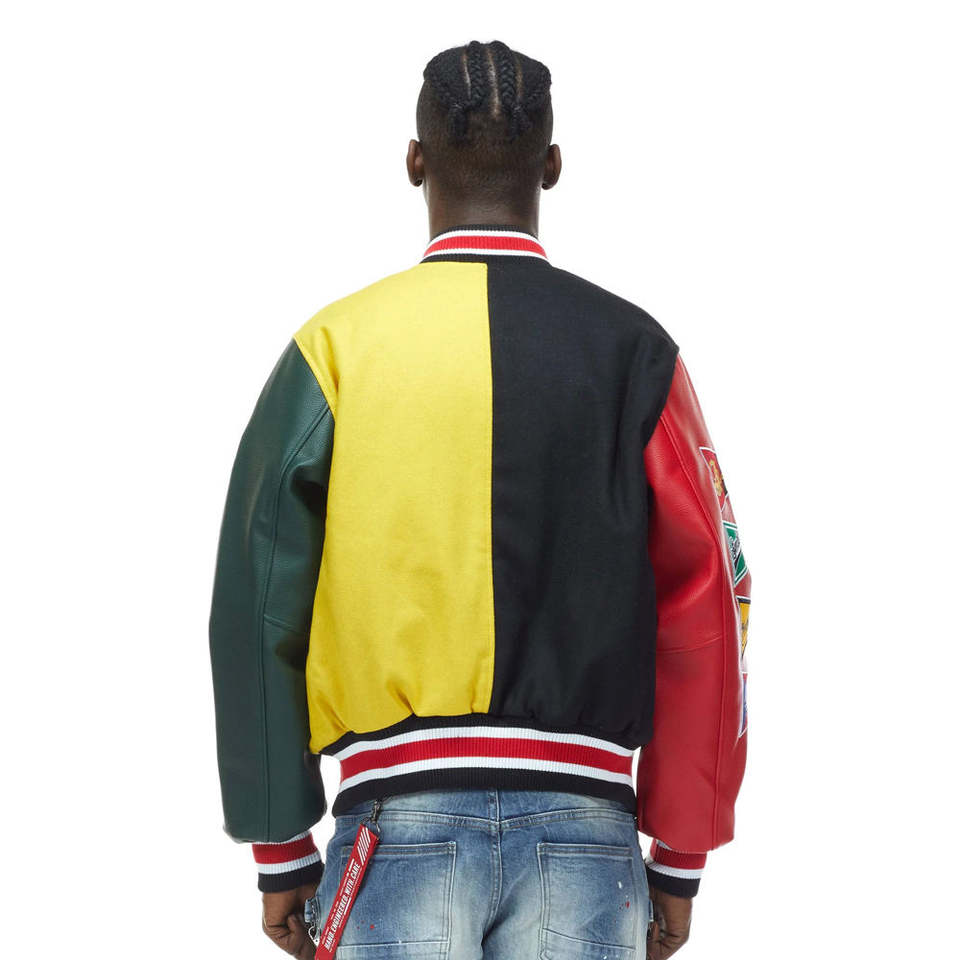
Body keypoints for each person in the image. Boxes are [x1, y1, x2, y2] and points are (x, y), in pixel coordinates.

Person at [208, 38, 751, 960]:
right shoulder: (636, 352)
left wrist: (280, 843)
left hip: (394, 831)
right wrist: (681, 850)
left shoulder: (334, 349)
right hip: (589, 840)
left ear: (414, 160)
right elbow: (710, 601)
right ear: (553, 165)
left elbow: (256, 599)